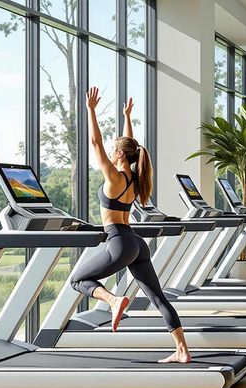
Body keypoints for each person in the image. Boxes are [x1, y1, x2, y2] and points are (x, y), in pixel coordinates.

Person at [70, 88, 190, 363]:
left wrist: (90, 110)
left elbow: (95, 143)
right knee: (158, 298)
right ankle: (182, 350)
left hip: (119, 242)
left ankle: (113, 301)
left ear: (121, 156)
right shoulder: (136, 179)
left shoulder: (114, 178)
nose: (110, 151)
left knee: (77, 280)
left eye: (115, 149)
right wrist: (126, 117)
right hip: (136, 243)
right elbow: (131, 145)